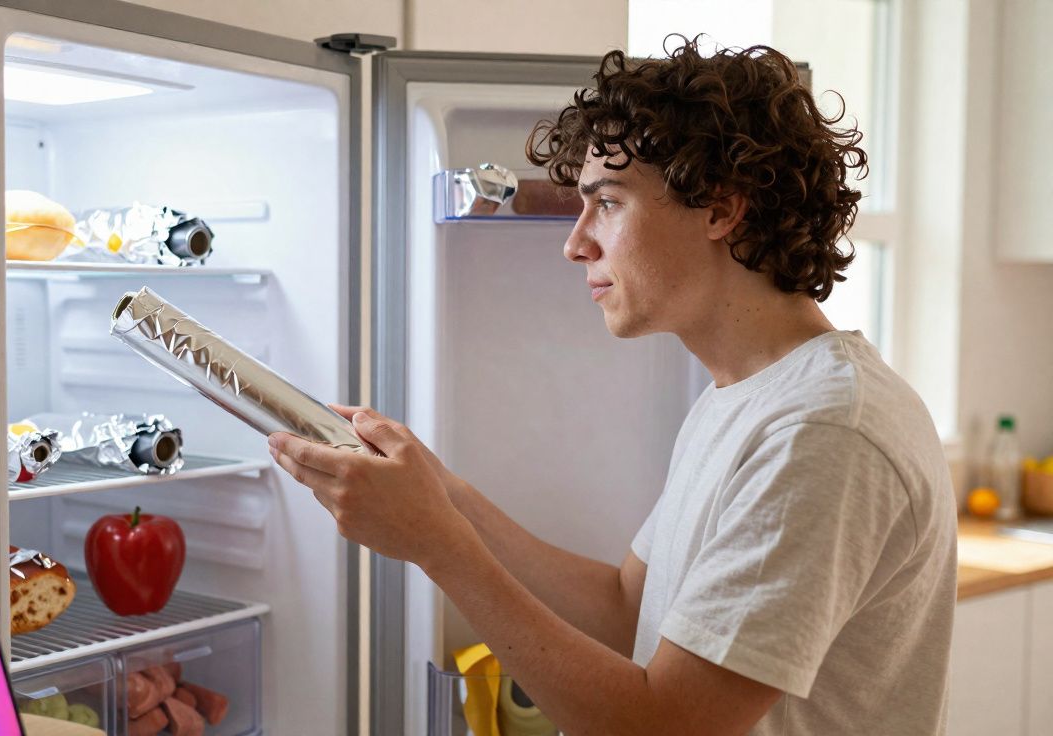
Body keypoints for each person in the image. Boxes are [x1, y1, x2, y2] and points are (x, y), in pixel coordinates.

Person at [268, 37, 956, 735]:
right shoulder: (743, 395)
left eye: (608, 202)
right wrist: (446, 497)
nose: (576, 242)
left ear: (720, 209)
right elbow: (629, 606)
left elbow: (665, 724)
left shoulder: (824, 432)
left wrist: (439, 545)